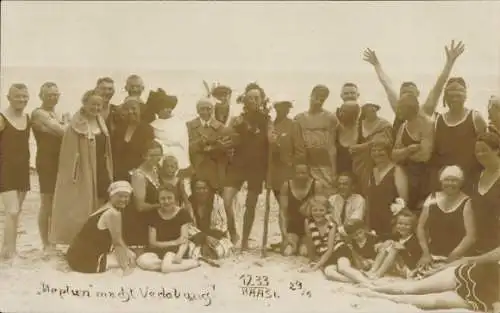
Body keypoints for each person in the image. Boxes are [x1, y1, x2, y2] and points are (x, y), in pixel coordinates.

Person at [363, 40, 466, 137]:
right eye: (404, 93)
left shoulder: (425, 110)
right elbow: (387, 85)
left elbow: (438, 87)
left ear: (417, 94)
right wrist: (377, 65)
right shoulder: (399, 110)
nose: (407, 95)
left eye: (411, 93)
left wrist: (449, 63)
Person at [353, 245, 500, 312]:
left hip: (485, 297)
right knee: (414, 288)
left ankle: (376, 295)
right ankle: (375, 288)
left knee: (431, 302)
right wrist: (444, 268)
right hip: (471, 274)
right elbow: (475, 259)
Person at [50, 90, 113, 245]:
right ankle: (78, 241)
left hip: (101, 168)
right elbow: (68, 156)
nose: (96, 108)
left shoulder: (100, 121)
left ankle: (97, 240)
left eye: (99, 105)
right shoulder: (75, 125)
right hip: (83, 171)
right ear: (84, 104)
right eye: (92, 104)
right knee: (81, 208)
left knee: (101, 204)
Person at [223, 82, 272, 249]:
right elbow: (227, 138)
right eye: (249, 97)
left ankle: (244, 241)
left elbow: (271, 145)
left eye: (256, 98)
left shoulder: (267, 120)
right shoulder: (237, 120)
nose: (253, 100)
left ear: (262, 99)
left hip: (257, 167)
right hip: (237, 165)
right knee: (226, 200)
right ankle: (233, 233)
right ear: (244, 100)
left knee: (250, 205)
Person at [429, 77, 487, 195]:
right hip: (445, 183)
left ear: (465, 96)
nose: (454, 99)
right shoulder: (437, 121)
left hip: (470, 181)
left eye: (458, 95)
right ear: (445, 97)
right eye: (451, 95)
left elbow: (486, 150)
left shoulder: (475, 118)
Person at [415, 165, 476, 277]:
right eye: (447, 180)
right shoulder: (432, 198)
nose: (450, 183)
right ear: (441, 181)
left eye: (454, 180)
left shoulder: (466, 202)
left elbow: (470, 236)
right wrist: (425, 253)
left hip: (456, 257)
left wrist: (452, 258)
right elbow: (420, 227)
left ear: (461, 183)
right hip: (432, 256)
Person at [65, 181, 137, 274]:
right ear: (111, 196)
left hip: (73, 257)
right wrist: (125, 268)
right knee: (131, 257)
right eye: (120, 196)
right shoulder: (114, 213)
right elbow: (117, 242)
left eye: (126, 196)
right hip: (86, 262)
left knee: (126, 253)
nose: (123, 199)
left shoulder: (104, 207)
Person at [31, 82, 66, 256]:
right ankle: (46, 243)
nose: (53, 97)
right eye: (49, 94)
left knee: (56, 202)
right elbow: (63, 132)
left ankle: (52, 240)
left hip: (58, 160)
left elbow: (61, 131)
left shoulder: (55, 113)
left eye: (55, 94)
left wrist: (59, 126)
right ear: (41, 96)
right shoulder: (38, 113)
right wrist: (61, 126)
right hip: (46, 161)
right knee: (46, 202)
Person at [136, 185, 201, 273]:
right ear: (158, 200)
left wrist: (179, 255)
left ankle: (190, 263)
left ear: (175, 199)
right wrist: (174, 242)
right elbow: (152, 243)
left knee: (168, 257)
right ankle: (170, 265)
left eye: (169, 198)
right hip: (159, 250)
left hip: (176, 250)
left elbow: (184, 240)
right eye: (163, 199)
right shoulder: (153, 215)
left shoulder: (183, 213)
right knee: (141, 260)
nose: (166, 201)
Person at [0, 83, 31, 260]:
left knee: (16, 211)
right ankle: (9, 252)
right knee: (11, 211)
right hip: (5, 169)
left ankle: (9, 249)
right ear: (9, 98)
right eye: (18, 96)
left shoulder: (28, 118)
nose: (22, 99)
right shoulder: (2, 118)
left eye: (24, 96)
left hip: (23, 169)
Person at [392, 94, 433, 213]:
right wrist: (408, 150)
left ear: (411, 108)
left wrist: (403, 154)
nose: (398, 111)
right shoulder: (404, 126)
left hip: (424, 175)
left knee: (420, 211)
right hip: (406, 174)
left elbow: (425, 156)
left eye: (401, 108)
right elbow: (394, 155)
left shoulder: (427, 124)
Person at [293, 85, 338, 195]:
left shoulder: (330, 118)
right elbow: (297, 145)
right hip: (306, 164)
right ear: (311, 95)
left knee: (326, 194)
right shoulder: (299, 118)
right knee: (308, 196)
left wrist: (334, 170)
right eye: (317, 96)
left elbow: (332, 146)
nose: (319, 100)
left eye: (323, 97)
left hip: (324, 164)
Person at [366, 200, 422, 279]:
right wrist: (381, 244)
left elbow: (414, 260)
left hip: (409, 269)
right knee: (388, 243)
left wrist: (403, 249)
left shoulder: (414, 240)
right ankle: (373, 270)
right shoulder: (397, 236)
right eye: (400, 224)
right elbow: (381, 237)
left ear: (412, 226)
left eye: (406, 225)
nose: (402, 227)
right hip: (397, 266)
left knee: (394, 248)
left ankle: (378, 274)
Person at [186, 97, 231, 193]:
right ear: (197, 111)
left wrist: (215, 148)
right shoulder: (189, 126)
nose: (205, 112)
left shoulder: (221, 127)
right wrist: (200, 143)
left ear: (213, 110)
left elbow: (226, 150)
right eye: (202, 109)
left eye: (209, 109)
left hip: (215, 172)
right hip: (196, 169)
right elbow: (187, 148)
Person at [124, 140, 163, 248]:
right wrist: (162, 205)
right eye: (152, 155)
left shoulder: (156, 169)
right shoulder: (139, 176)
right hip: (142, 223)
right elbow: (140, 207)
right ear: (144, 156)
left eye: (158, 155)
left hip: (155, 220)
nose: (156, 158)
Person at [367, 139, 408, 238]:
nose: (377, 153)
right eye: (374, 150)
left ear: (388, 152)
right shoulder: (372, 171)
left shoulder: (397, 171)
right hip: (374, 220)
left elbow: (404, 201)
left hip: (391, 222)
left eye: (381, 150)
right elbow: (368, 198)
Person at [350, 102, 393, 197]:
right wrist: (368, 144)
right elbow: (351, 145)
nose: (371, 111)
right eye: (368, 109)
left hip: (377, 162)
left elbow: (386, 142)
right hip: (361, 163)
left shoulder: (384, 125)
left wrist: (363, 146)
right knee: (361, 186)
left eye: (373, 109)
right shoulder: (358, 125)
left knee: (376, 186)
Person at [277, 163, 319, 256]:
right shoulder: (286, 185)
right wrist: (285, 235)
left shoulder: (316, 185)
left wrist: (315, 234)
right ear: (293, 174)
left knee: (304, 252)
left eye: (303, 173)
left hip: (309, 227)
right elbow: (282, 212)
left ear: (309, 173)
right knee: (288, 251)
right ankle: (293, 242)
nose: (301, 176)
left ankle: (303, 243)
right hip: (292, 226)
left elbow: (321, 212)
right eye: (298, 173)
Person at [322, 219, 380, 285]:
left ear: (364, 230)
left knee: (343, 268)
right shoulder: (351, 241)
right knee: (328, 272)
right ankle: (355, 281)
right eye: (355, 235)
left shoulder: (371, 239)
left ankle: (366, 282)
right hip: (336, 256)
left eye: (360, 232)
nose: (358, 236)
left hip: (347, 258)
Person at [187, 177, 233, 260]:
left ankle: (206, 254)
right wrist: (204, 238)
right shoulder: (188, 203)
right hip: (197, 238)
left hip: (215, 236)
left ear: (209, 189)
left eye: (204, 188)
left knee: (221, 249)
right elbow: (188, 227)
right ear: (193, 190)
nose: (201, 191)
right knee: (190, 251)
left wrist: (210, 239)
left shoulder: (217, 200)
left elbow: (222, 224)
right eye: (198, 189)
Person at [148, 89, 190, 176]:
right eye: (164, 108)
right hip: (163, 161)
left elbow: (184, 142)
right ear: (158, 110)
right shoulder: (153, 126)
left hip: (181, 159)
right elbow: (155, 145)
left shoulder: (180, 123)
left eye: (169, 107)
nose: (168, 110)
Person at [111, 96, 154, 182]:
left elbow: (148, 156)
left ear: (140, 110)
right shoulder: (119, 129)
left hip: (139, 176)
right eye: (127, 109)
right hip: (119, 176)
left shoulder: (147, 129)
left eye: (134, 108)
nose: (130, 112)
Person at [472, 133, 500, 255]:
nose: (480, 154)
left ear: (497, 150)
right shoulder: (476, 176)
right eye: (477, 151)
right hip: (477, 245)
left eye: (484, 150)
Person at [298, 195, 340, 273]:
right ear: (310, 210)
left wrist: (316, 266)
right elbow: (310, 241)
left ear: (326, 210)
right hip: (322, 251)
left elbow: (330, 248)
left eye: (321, 210)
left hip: (334, 251)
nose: (318, 213)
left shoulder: (331, 223)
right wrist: (311, 259)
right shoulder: (308, 222)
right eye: (315, 210)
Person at [268, 97, 295, 199]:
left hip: (288, 168)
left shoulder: (293, 125)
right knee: (278, 197)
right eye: (281, 107)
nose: (284, 110)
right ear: (276, 108)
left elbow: (299, 147)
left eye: (286, 108)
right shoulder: (270, 126)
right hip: (274, 169)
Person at [327, 172, 366, 239]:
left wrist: (336, 231)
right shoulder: (332, 199)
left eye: (345, 184)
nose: (341, 187)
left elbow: (353, 224)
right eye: (339, 184)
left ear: (353, 186)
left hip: (353, 236)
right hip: (333, 236)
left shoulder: (359, 199)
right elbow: (328, 221)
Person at [336, 100, 361, 174]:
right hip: (340, 176)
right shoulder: (335, 130)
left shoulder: (362, 130)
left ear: (354, 114)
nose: (340, 114)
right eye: (340, 110)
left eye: (344, 111)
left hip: (358, 173)